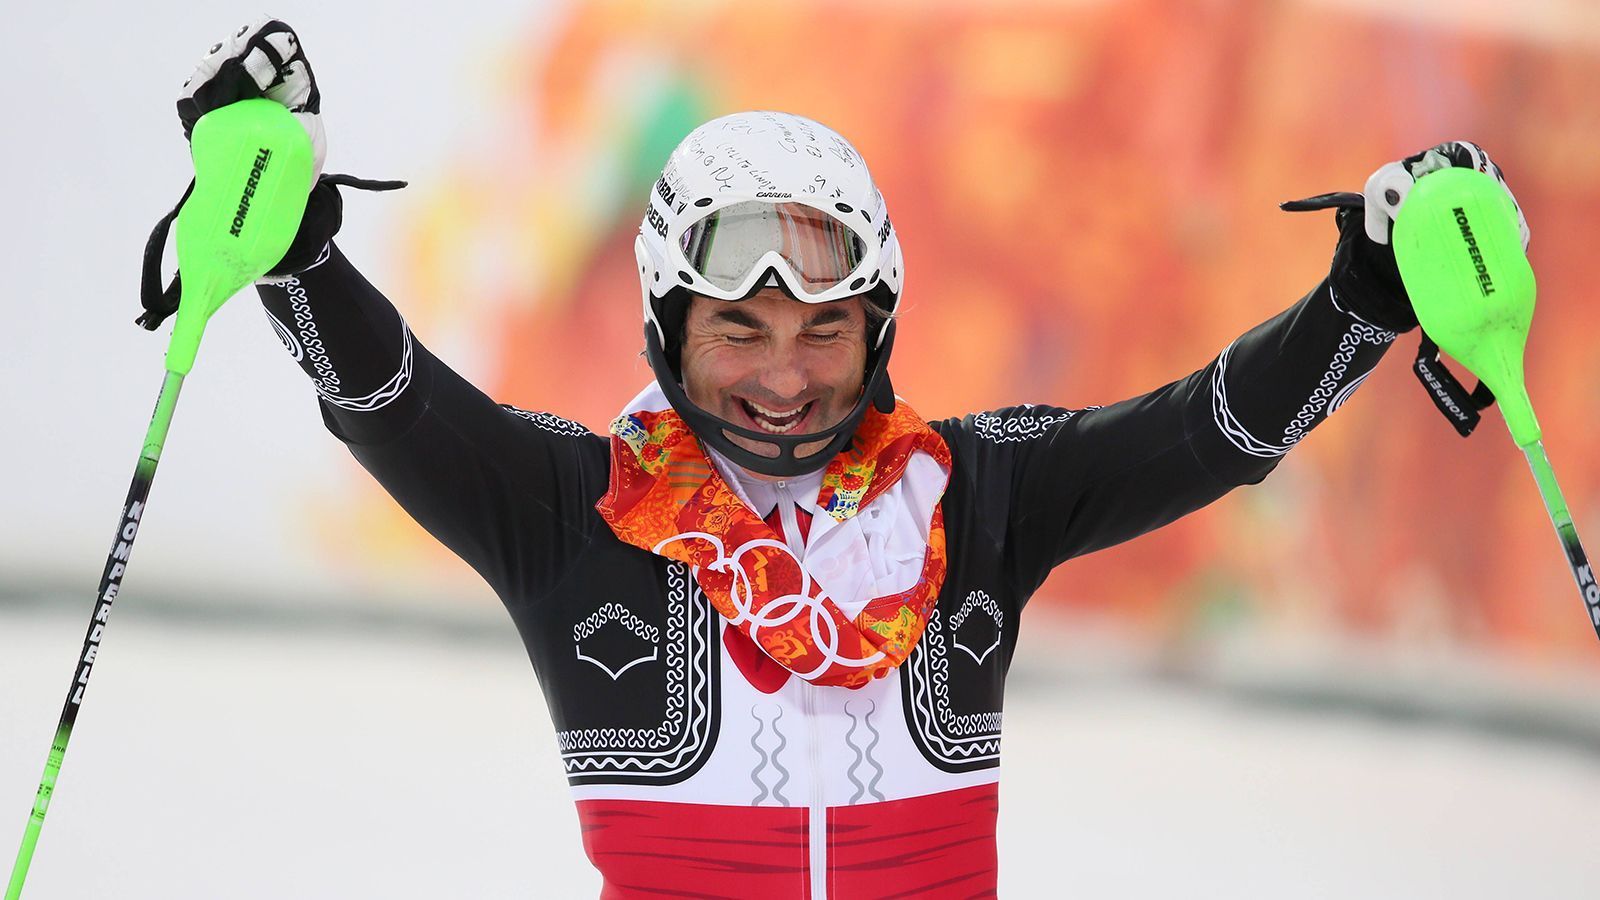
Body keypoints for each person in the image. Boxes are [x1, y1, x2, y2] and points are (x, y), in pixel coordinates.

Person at [160, 18, 1526, 899]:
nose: (784, 376)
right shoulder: (572, 514)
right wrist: (294, 248)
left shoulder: (976, 495)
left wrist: (1362, 300)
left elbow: (1210, 429)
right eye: (738, 329)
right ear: (661, 328)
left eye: (825, 328)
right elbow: (393, 398)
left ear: (880, 325)